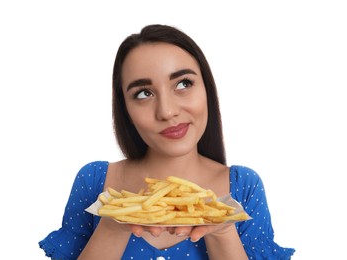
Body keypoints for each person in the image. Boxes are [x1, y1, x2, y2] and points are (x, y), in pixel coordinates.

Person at [39, 24, 295, 259]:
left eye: (183, 83)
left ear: (207, 88)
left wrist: (222, 232)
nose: (167, 111)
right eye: (143, 93)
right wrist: (113, 225)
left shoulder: (243, 186)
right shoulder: (94, 181)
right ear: (125, 108)